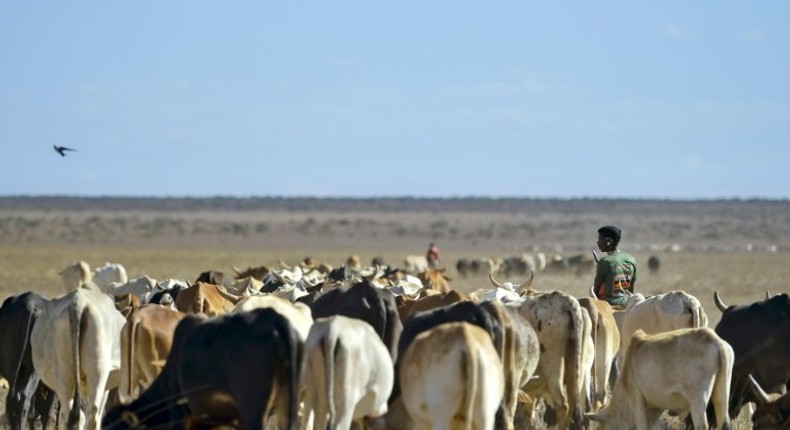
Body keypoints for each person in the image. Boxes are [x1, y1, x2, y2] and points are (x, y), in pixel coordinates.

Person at [593, 225, 637, 307]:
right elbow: (631, 289)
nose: (598, 242)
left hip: (608, 306)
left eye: (600, 239)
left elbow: (595, 292)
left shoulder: (604, 262)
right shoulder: (631, 259)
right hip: (627, 303)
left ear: (609, 241)